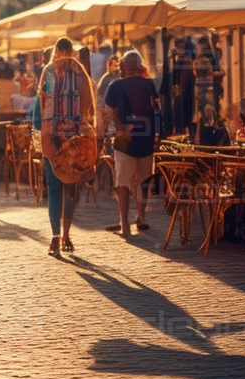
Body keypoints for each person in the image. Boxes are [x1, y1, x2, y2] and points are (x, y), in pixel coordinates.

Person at [34, 38, 97, 257]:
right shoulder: (80, 72)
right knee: (71, 188)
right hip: (77, 138)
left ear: (56, 52)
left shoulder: (48, 71)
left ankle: (53, 238)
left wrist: (40, 130)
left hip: (52, 139)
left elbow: (41, 104)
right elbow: (89, 107)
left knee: (54, 190)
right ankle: (66, 235)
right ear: (71, 52)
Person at [104, 49, 161, 236]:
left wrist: (103, 132)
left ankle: (124, 223)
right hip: (147, 138)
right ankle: (141, 217)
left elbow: (108, 112)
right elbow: (157, 110)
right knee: (143, 181)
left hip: (124, 138)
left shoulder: (115, 85)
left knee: (123, 183)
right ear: (140, 66)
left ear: (123, 67)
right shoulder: (149, 85)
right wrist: (158, 133)